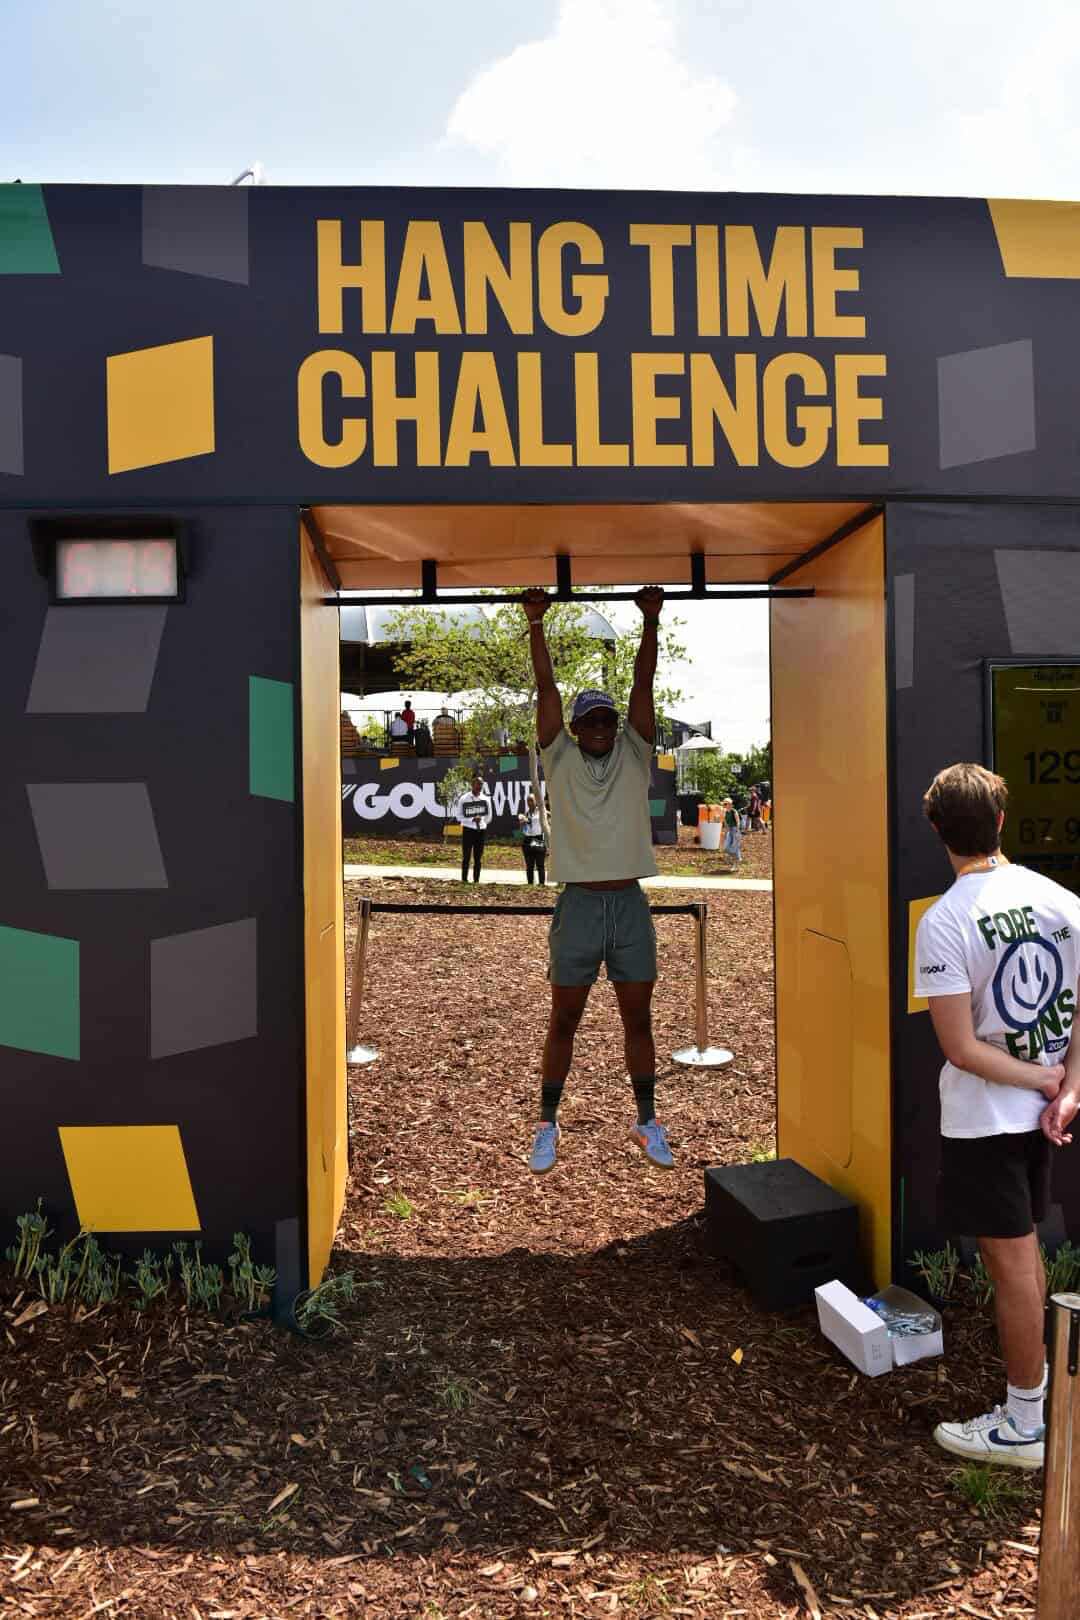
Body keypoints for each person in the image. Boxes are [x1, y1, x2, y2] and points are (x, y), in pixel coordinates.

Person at [914, 762, 1080, 1471]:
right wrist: (1067, 1088)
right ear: (1002, 821)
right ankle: (1040, 1403)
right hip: (1043, 1114)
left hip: (986, 1120)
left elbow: (960, 1047)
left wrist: (1046, 1078)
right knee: (1024, 1256)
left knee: (1010, 1266)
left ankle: (1024, 1425)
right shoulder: (1062, 901)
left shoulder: (944, 921)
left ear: (937, 830)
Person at [521, 584, 672, 1176]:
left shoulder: (634, 756)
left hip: (629, 904)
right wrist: (537, 625)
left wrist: (651, 622)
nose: (602, 727)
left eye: (608, 719)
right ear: (576, 728)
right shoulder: (559, 758)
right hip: (580, 906)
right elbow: (547, 690)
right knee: (564, 1019)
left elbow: (643, 686)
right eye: (591, 721)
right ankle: (547, 1123)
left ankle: (647, 1119)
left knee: (639, 1020)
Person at [455, 774, 493, 883]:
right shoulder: (464, 798)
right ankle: (464, 880)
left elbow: (489, 817)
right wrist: (472, 819)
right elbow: (459, 816)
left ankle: (476, 880)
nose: (479, 786)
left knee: (478, 857)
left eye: (481, 784)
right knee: (466, 856)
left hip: (481, 831)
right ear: (472, 785)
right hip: (468, 830)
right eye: (477, 784)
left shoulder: (486, 799)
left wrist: (482, 821)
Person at [518, 791, 547, 886]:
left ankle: (541, 884)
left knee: (540, 864)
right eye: (528, 800)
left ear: (536, 801)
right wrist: (522, 824)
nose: (529, 802)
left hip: (537, 839)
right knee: (529, 865)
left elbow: (548, 816)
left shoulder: (541, 812)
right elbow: (522, 831)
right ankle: (530, 884)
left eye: (531, 800)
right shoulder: (525, 814)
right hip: (527, 840)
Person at [722, 798, 741, 865]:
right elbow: (726, 824)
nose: (724, 805)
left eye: (725, 804)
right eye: (724, 804)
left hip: (735, 830)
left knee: (735, 846)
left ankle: (737, 860)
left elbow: (738, 822)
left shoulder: (734, 812)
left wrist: (737, 832)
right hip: (729, 830)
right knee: (726, 848)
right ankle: (737, 857)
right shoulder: (724, 812)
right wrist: (725, 833)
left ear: (730, 804)